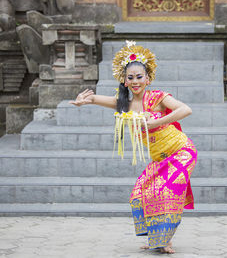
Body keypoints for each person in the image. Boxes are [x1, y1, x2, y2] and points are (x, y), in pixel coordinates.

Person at [69, 41, 197, 254]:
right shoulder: (125, 104)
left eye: (139, 77)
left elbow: (186, 109)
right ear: (124, 81)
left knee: (165, 193)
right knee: (139, 194)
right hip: (160, 158)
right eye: (131, 77)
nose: (135, 81)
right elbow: (98, 99)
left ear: (148, 78)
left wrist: (156, 122)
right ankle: (157, 237)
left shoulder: (158, 98)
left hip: (182, 152)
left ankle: (166, 241)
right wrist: (85, 100)